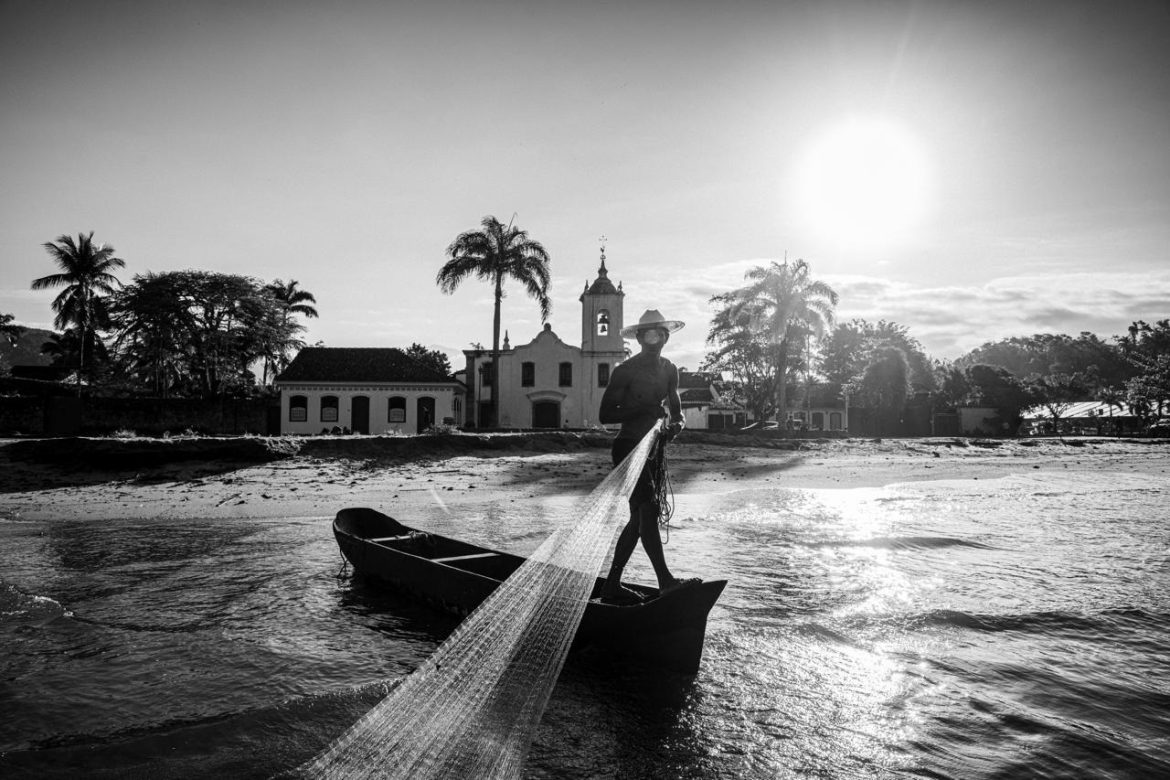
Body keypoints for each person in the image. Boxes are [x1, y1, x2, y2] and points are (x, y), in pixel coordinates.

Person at [599, 309, 700, 602]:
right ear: (640, 338)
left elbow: (677, 412)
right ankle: (665, 580)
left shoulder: (670, 369)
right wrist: (643, 409)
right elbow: (605, 414)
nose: (655, 338)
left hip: (654, 450)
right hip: (628, 448)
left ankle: (611, 585)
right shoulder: (625, 371)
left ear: (666, 338)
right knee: (649, 511)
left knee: (637, 520)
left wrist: (677, 426)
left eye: (660, 334)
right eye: (649, 334)